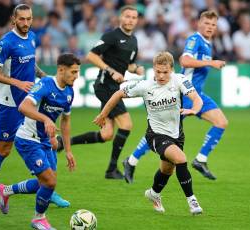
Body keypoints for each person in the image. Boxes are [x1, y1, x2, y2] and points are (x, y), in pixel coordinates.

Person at [0, 4, 68, 208]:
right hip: (9, 103)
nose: (26, 23)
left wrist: (42, 75)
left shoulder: (32, 37)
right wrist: (17, 82)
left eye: (29, 19)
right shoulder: (6, 42)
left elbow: (29, 64)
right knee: (4, 149)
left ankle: (48, 187)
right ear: (13, 20)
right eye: (22, 19)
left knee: (46, 140)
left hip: (29, 101)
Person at [123, 10, 227, 183]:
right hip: (183, 93)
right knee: (161, 132)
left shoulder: (208, 43)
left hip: (197, 94)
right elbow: (184, 61)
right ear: (198, 23)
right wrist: (211, 62)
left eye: (213, 25)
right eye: (206, 23)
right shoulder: (194, 40)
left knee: (221, 122)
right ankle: (131, 160)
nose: (209, 27)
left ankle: (201, 160)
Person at [94, 51, 203, 215]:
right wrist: (103, 114)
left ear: (172, 70)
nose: (161, 76)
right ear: (153, 69)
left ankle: (153, 194)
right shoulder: (145, 85)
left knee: (167, 170)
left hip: (176, 134)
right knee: (181, 159)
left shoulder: (179, 80)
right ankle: (192, 201)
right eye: (158, 71)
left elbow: (197, 99)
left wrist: (194, 110)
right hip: (156, 134)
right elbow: (117, 93)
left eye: (165, 72)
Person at [57, 5, 145, 179]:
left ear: (137, 21)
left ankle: (63, 143)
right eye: (127, 16)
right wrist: (110, 70)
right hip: (105, 86)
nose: (130, 20)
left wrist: (136, 69)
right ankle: (112, 169)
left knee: (106, 135)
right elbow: (91, 55)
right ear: (121, 17)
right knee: (126, 124)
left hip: (114, 88)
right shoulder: (111, 36)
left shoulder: (134, 41)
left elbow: (128, 64)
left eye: (133, 17)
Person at [0, 53, 79, 230]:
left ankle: (6, 190)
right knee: (49, 182)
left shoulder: (69, 92)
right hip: (27, 139)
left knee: (46, 182)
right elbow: (23, 107)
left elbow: (65, 121)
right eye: (73, 72)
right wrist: (46, 120)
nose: (76, 76)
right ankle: (38, 219)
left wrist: (69, 150)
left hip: (45, 141)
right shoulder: (45, 84)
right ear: (61, 69)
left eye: (77, 72)